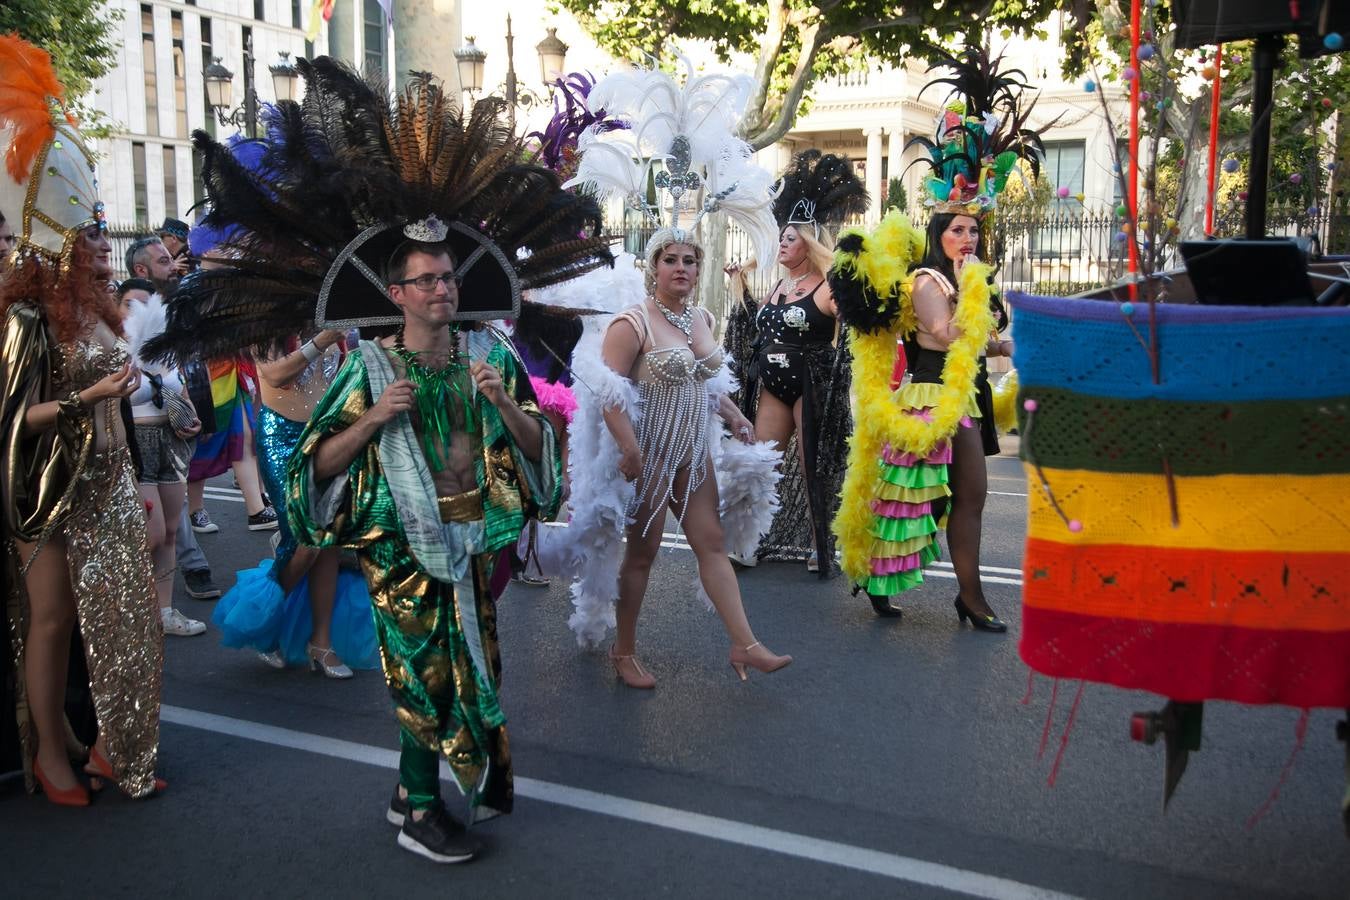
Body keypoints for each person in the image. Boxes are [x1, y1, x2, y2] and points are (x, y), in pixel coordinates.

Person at [146, 64, 611, 861]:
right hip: (402, 547)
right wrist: (369, 422)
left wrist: (506, 406)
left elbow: (541, 460)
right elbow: (315, 467)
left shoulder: (486, 354)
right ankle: (423, 812)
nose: (442, 289)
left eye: (448, 277)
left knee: (472, 678)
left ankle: (410, 788)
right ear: (395, 292)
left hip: (471, 547)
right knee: (423, 679)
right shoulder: (369, 368)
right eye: (426, 280)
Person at [0, 34, 166, 803]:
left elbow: (118, 406)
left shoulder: (98, 312)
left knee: (121, 619)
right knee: (53, 621)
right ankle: (52, 755)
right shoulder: (27, 320)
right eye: (88, 236)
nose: (102, 245)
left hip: (105, 482)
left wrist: (126, 449)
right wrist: (88, 401)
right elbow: (14, 424)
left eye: (102, 233)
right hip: (46, 492)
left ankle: (107, 744)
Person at [830, 49, 1038, 625]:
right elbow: (944, 338)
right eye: (957, 228)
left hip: (966, 394)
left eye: (973, 229)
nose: (966, 236)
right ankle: (879, 579)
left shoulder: (968, 279)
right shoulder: (927, 279)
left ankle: (969, 595)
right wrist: (979, 320)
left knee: (971, 495)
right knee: (911, 500)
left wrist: (1007, 346)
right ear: (939, 231)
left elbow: (974, 343)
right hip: (930, 395)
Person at [597, 232, 791, 687]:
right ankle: (623, 651)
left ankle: (744, 643)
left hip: (692, 453)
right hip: (650, 456)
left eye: (689, 260)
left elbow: (707, 384)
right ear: (654, 268)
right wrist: (629, 448)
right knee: (642, 556)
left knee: (712, 544)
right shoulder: (633, 322)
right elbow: (609, 395)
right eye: (670, 260)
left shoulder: (701, 318)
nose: (680, 267)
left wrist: (736, 414)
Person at [723, 151, 866, 575]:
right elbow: (754, 329)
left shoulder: (825, 286)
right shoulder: (780, 287)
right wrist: (739, 284)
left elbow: (856, 327)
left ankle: (822, 545)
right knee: (762, 463)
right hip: (773, 387)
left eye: (790, 237)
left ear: (810, 241)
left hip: (810, 385)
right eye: (780, 237)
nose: (781, 244)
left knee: (812, 467)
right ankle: (748, 541)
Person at [212, 325, 377, 676]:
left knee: (328, 539)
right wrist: (322, 341)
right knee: (304, 541)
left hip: (325, 435)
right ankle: (266, 621)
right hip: (281, 437)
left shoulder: (330, 319)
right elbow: (274, 375)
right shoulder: (274, 318)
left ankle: (321, 643)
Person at [122, 286, 209, 636]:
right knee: (152, 535)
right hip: (137, 443)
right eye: (131, 303)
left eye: (146, 303)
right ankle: (131, 611)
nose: (141, 310)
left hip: (171, 441)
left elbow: (181, 389)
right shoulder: (115, 351)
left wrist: (192, 416)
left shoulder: (167, 351)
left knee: (171, 532)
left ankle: (165, 611)